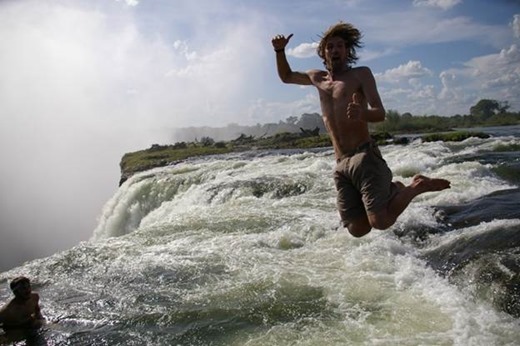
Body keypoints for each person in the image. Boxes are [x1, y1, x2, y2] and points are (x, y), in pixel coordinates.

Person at [271, 22, 450, 237]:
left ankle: (416, 186)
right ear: (323, 52)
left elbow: (380, 112)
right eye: (330, 47)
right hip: (341, 163)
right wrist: (280, 51)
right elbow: (286, 77)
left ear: (347, 51)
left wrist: (362, 113)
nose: (335, 50)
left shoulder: (360, 75)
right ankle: (394, 190)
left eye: (340, 46)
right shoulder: (316, 78)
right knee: (357, 229)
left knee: (381, 221)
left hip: (364, 156)